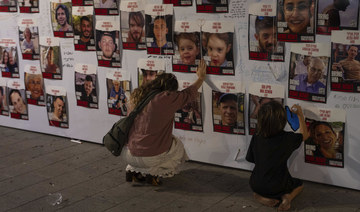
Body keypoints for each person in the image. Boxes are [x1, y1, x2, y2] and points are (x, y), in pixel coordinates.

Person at [121, 60, 206, 185]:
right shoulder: (165, 98)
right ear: (170, 90)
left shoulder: (138, 96)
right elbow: (188, 93)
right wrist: (201, 77)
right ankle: (156, 173)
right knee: (177, 147)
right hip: (149, 157)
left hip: (128, 153)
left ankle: (132, 171)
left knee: (155, 141)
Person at [246, 102, 308, 211]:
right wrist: (299, 114)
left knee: (259, 189)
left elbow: (252, 159)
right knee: (299, 184)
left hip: (255, 183)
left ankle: (260, 196)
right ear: (282, 120)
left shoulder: (257, 135)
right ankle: (287, 198)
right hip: (278, 185)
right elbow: (305, 135)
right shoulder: (287, 138)